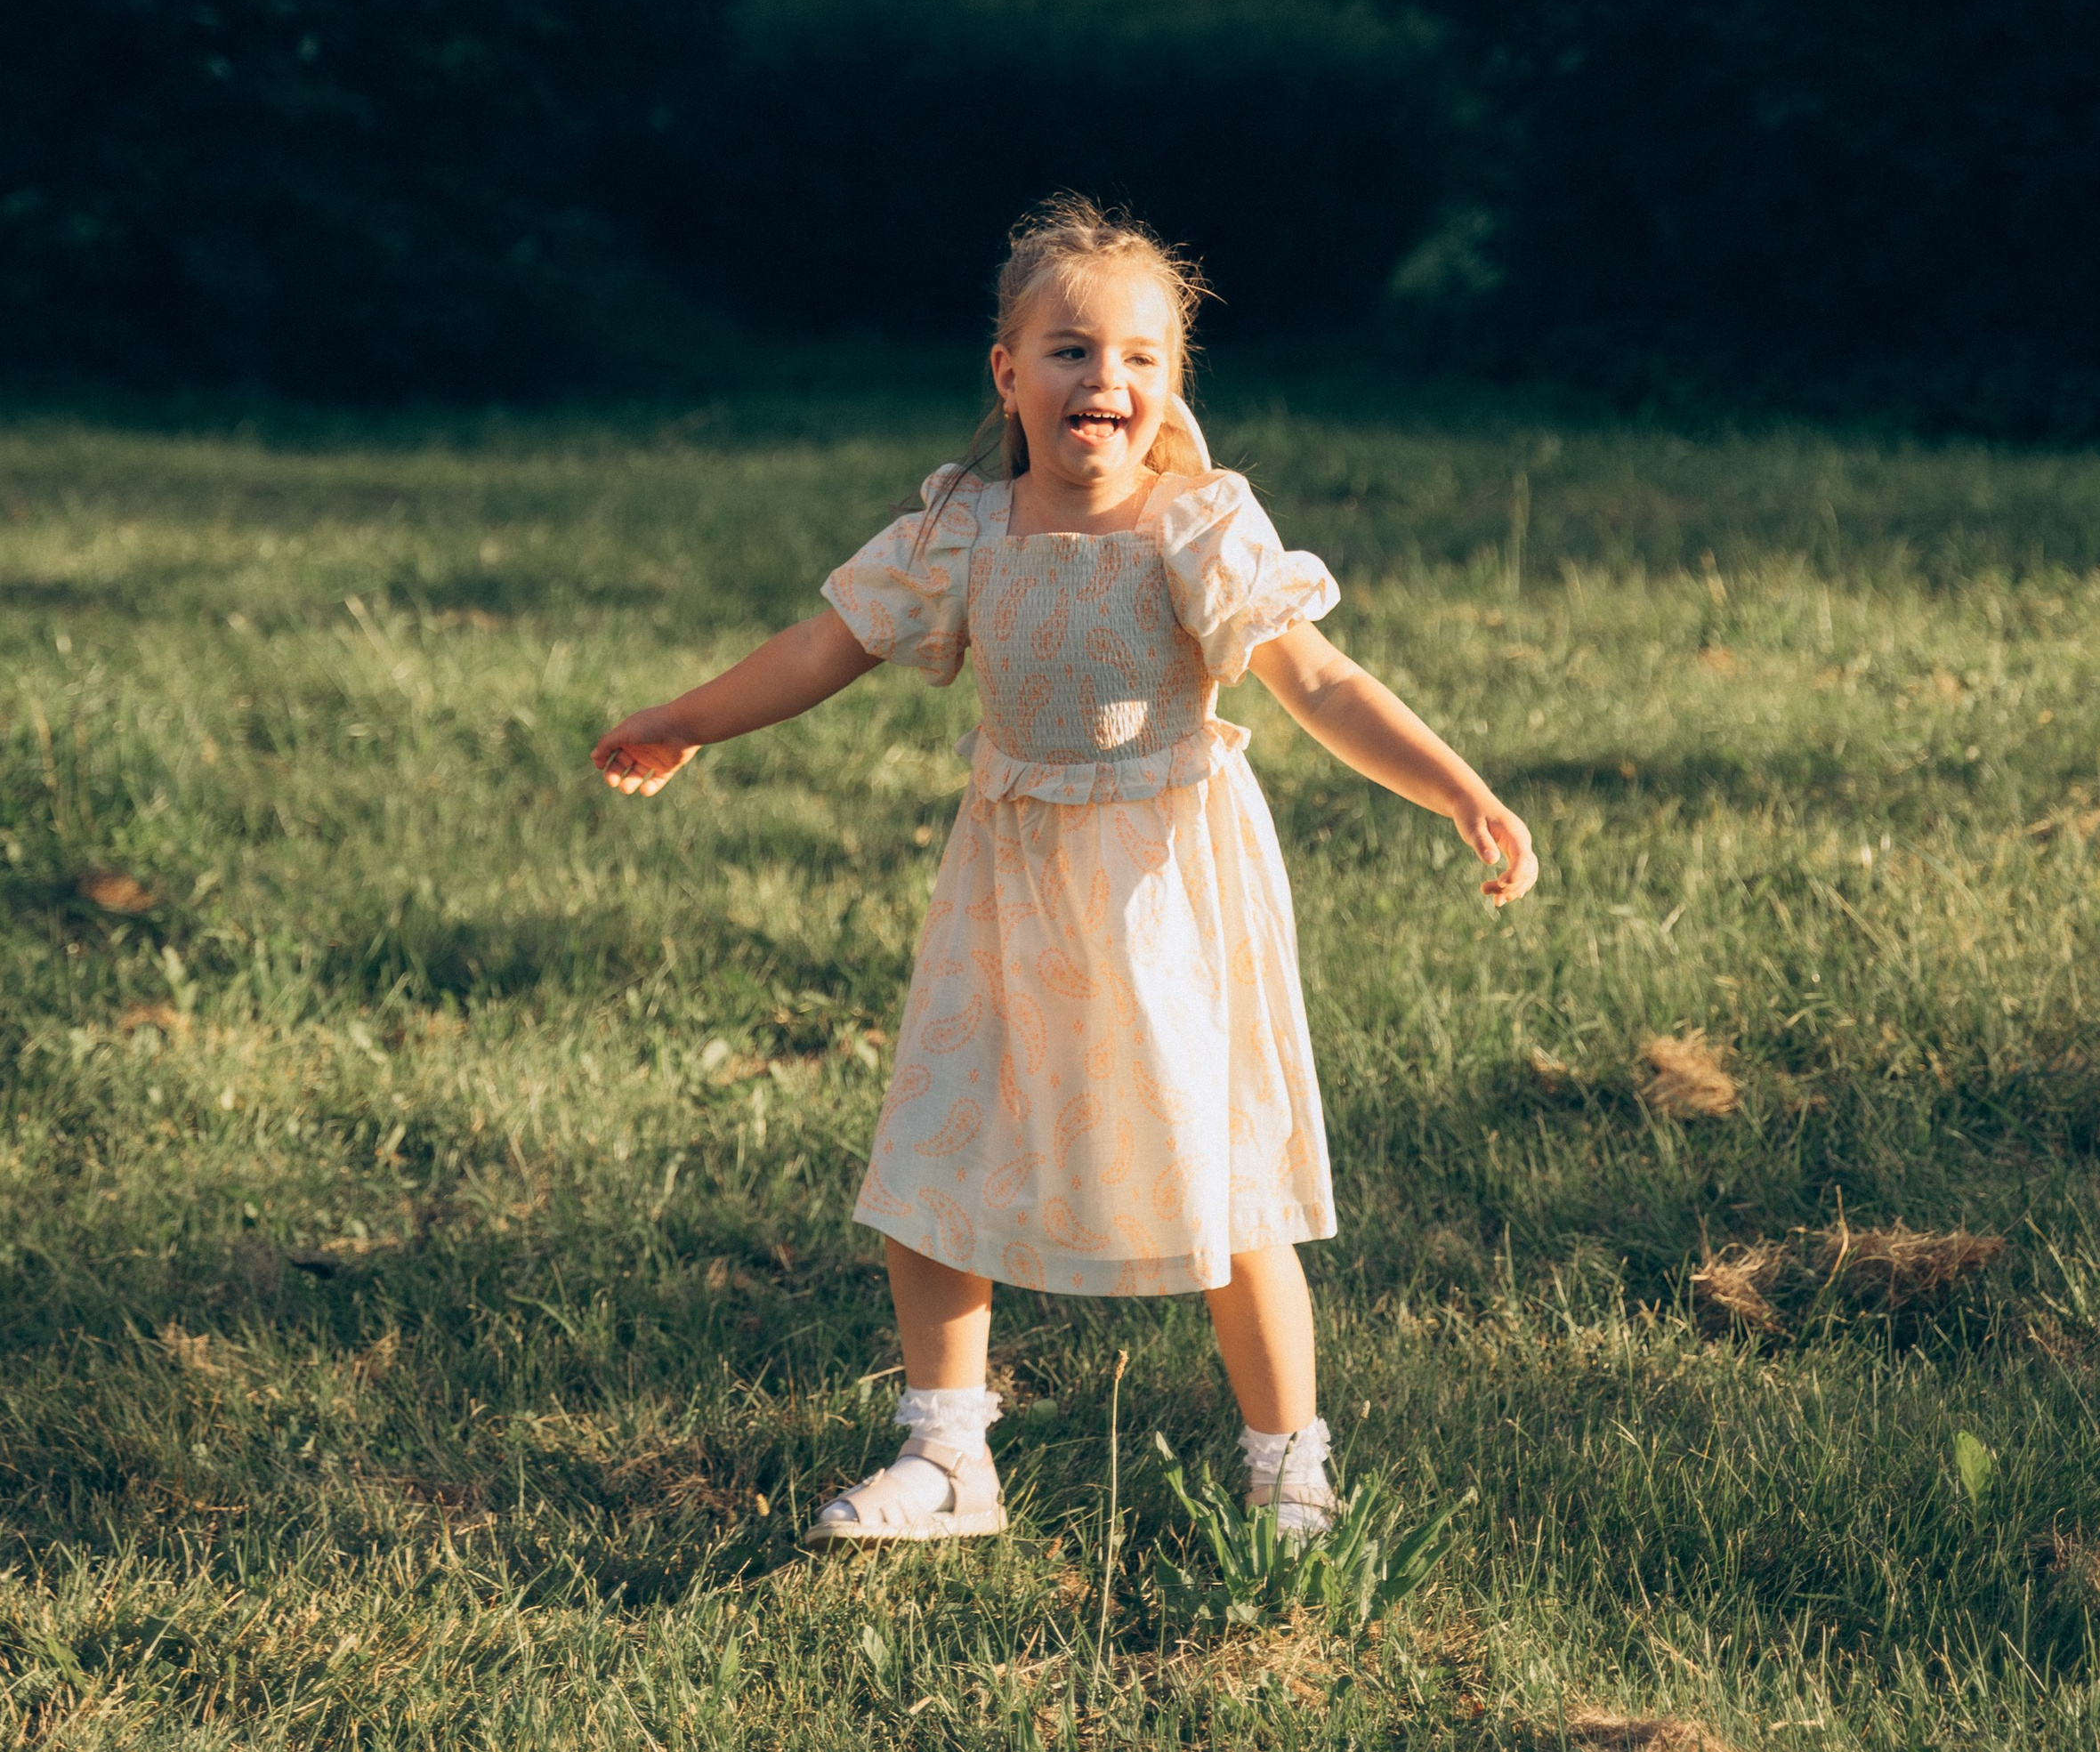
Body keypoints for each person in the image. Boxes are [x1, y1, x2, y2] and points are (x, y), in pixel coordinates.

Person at [591, 195, 1538, 1546]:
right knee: (937, 1154)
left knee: (1221, 1178)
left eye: (1142, 358)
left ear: (1173, 385)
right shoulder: (962, 532)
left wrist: (1461, 789)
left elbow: (1318, 680)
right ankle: (946, 1456)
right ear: (1009, 373)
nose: (1108, 381)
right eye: (1072, 351)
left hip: (1167, 886)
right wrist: (683, 717)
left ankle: (1287, 1469)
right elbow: (823, 647)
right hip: (1009, 885)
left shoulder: (1195, 529)